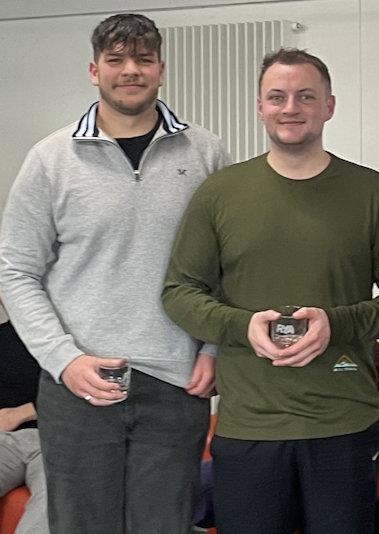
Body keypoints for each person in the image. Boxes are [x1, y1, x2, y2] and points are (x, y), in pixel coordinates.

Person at [161, 48, 379, 534]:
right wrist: (240, 325)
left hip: (344, 424)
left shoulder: (372, 192)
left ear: (329, 106)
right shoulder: (220, 194)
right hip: (249, 425)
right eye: (277, 97)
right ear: (259, 106)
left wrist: (335, 325)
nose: (290, 107)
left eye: (305, 96)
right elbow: (180, 291)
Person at [0, 13, 229, 533]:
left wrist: (214, 351)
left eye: (143, 59)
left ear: (161, 69)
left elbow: (228, 267)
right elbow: (15, 270)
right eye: (116, 59)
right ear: (93, 69)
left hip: (177, 385)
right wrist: (64, 360)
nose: (130, 70)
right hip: (77, 387)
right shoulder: (50, 159)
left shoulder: (207, 153)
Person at [0, 305, 47, 534]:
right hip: (5, 441)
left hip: (57, 436)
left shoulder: (71, 339)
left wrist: (20, 413)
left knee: (54, 502)